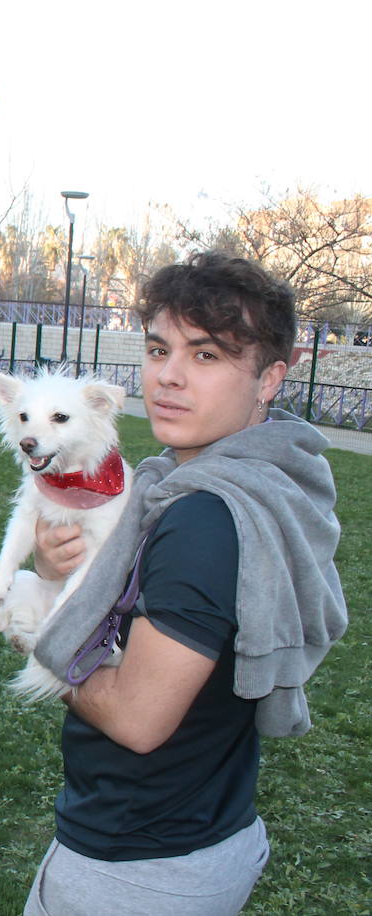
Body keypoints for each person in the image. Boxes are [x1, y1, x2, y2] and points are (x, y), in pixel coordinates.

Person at [23, 252, 346, 915]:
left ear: (269, 379)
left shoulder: (203, 518)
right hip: (210, 828)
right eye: (157, 348)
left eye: (206, 356)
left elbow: (138, 719)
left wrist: (35, 624)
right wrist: (65, 580)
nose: (167, 377)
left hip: (137, 868)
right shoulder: (252, 482)